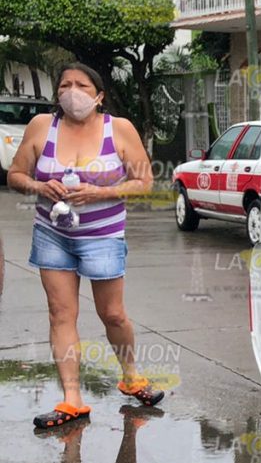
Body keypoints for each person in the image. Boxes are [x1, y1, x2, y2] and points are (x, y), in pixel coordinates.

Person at [7, 62, 163, 429]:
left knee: (113, 314)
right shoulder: (42, 127)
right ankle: (72, 399)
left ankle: (131, 377)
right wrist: (39, 187)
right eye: (65, 85)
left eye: (81, 85)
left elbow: (144, 182)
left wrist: (102, 192)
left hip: (103, 236)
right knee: (61, 314)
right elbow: (15, 175)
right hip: (52, 234)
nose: (72, 91)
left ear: (99, 96)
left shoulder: (119, 129)